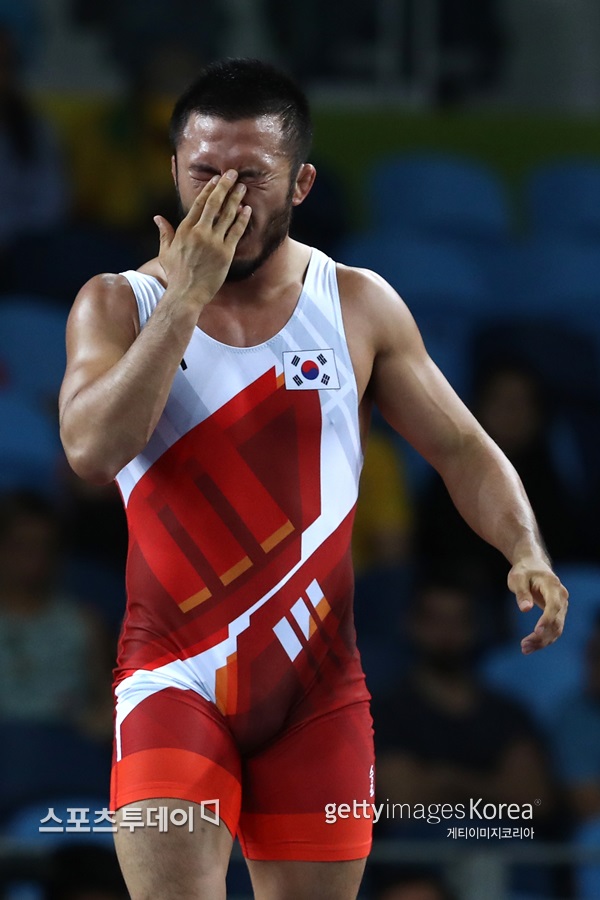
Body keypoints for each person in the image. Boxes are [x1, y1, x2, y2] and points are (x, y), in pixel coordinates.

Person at [58, 58, 568, 900]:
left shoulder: (357, 304)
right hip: (173, 678)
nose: (226, 197)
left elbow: (462, 447)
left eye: (252, 176)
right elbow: (90, 451)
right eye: (205, 173)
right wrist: (184, 300)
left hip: (317, 695)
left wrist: (525, 547)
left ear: (301, 182)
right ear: (174, 172)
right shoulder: (119, 303)